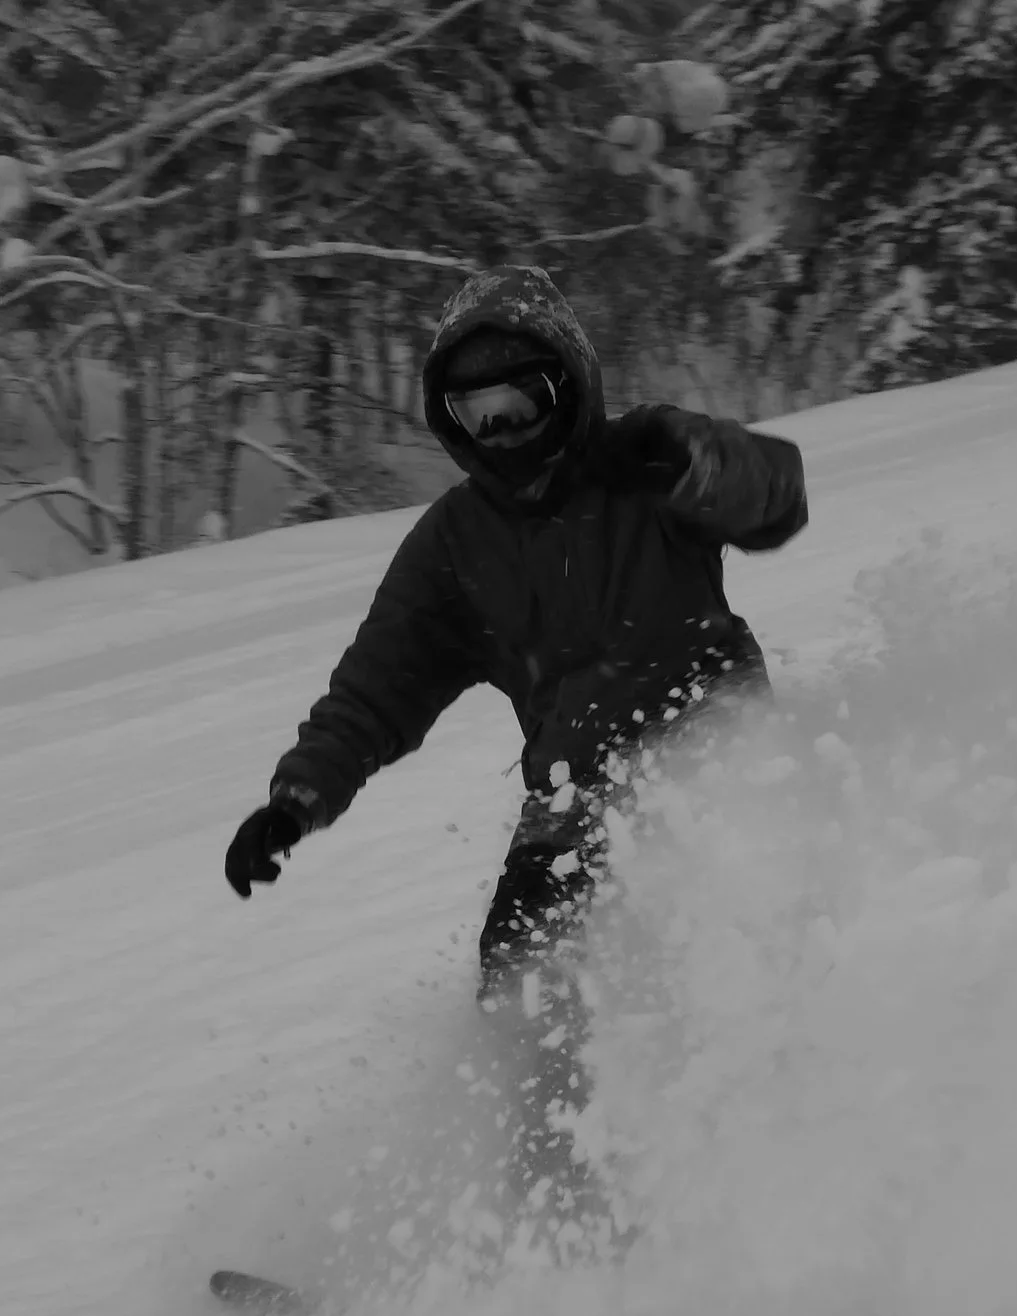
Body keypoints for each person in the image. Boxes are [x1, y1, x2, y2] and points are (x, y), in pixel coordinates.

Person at [223, 264, 808, 1241]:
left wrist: (701, 464)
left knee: (722, 954)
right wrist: (295, 800)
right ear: (450, 421)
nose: (504, 435)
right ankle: (564, 1218)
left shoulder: (645, 462)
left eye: (521, 406)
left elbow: (778, 497)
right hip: (576, 802)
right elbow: (378, 686)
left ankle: (776, 1164)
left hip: (716, 762)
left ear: (565, 390)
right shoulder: (454, 544)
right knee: (522, 981)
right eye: (478, 414)